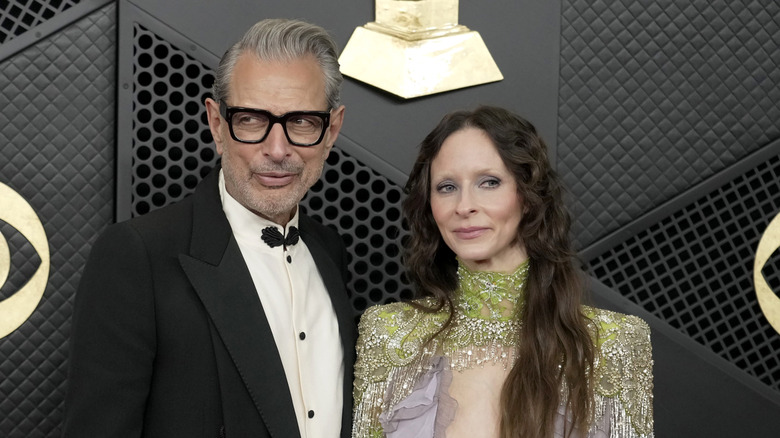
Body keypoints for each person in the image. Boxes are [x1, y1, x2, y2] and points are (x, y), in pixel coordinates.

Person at [63, 18, 355, 438]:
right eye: (252, 120)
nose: (277, 150)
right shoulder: (136, 257)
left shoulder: (329, 251)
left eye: (303, 122)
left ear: (333, 130)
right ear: (217, 124)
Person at [352, 106, 653, 437]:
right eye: (447, 187)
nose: (464, 205)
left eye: (489, 182)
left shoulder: (614, 344)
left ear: (527, 196)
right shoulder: (388, 333)